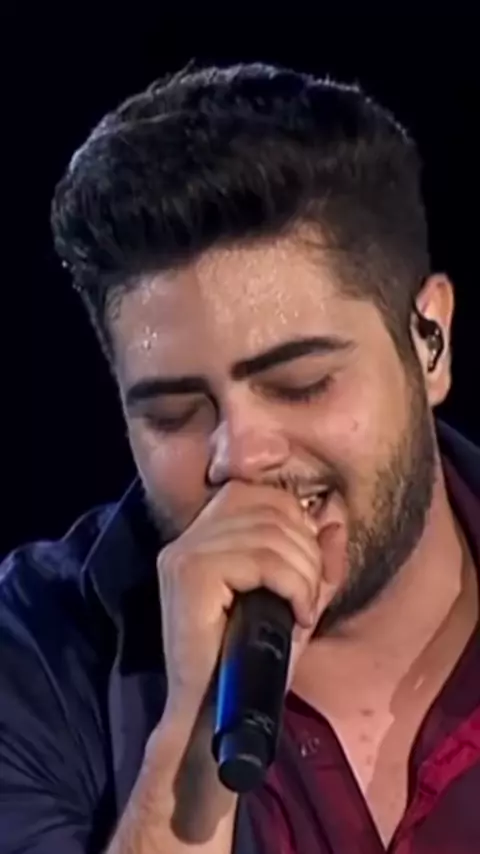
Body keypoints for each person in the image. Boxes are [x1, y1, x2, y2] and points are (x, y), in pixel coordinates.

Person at [1, 60, 479, 854]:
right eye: (174, 413)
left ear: (430, 342)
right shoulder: (37, 657)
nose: (243, 455)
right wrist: (194, 748)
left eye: (301, 383)